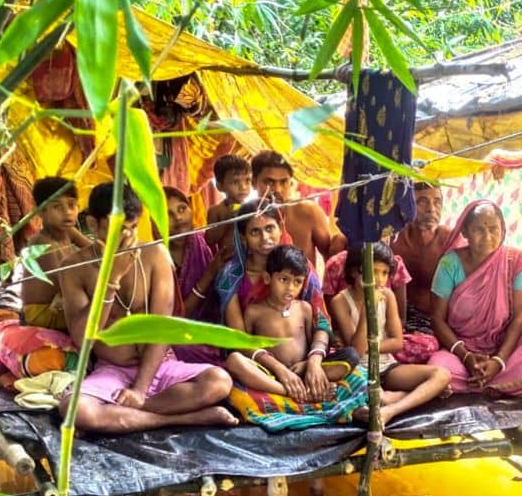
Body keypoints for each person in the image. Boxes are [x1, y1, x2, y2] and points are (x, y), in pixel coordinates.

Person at [57, 183, 236, 432]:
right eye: (117, 229)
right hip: (113, 372)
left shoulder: (155, 255)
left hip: (161, 365)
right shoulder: (74, 268)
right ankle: (184, 418)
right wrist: (112, 280)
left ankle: (131, 412)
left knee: (218, 381)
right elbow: (82, 338)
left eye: (131, 228)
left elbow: (163, 328)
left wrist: (140, 391)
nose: (126, 239)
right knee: (74, 410)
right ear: (92, 225)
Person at [427, 200, 522, 397]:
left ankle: (491, 378)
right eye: (479, 230)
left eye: (493, 229)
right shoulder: (449, 264)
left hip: (507, 345)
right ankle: (506, 382)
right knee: (439, 370)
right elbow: (436, 319)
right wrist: (465, 356)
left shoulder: (516, 263)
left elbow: (519, 317)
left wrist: (499, 361)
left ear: (503, 231)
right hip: (461, 349)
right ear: (464, 232)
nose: (487, 237)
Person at [329, 243, 451, 425]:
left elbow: (397, 342)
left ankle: (390, 409)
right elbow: (357, 351)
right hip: (358, 371)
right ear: (355, 271)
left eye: (384, 273)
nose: (378, 279)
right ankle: (405, 396)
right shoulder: (340, 301)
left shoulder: (388, 295)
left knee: (442, 375)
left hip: (386, 366)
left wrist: (373, 346)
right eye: (373, 271)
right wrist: (367, 311)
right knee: (358, 405)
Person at [225, 246, 355, 402]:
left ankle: (307, 385)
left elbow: (315, 338)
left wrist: (309, 364)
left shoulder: (304, 308)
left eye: (298, 282)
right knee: (234, 361)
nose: (290, 288)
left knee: (351, 356)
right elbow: (247, 348)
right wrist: (278, 369)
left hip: (304, 370)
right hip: (272, 375)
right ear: (267, 278)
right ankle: (294, 393)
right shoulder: (254, 311)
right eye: (283, 279)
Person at [215, 197, 324, 324]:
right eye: (255, 232)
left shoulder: (301, 267)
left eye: (269, 228)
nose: (265, 238)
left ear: (281, 228)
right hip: (249, 342)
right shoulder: (231, 275)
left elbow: (321, 319)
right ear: (243, 237)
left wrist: (319, 343)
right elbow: (239, 335)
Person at [165, 186, 228, 363]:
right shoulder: (156, 259)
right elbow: (174, 320)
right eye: (167, 214)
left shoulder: (207, 242)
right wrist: (209, 274)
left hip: (216, 327)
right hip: (182, 335)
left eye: (182, 209)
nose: (178, 218)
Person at [19, 177, 90, 331]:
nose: (67, 212)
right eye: (57, 207)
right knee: (105, 312)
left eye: (72, 205)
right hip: (40, 313)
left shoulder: (68, 232)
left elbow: (96, 251)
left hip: (58, 302)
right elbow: (66, 283)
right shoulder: (41, 243)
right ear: (41, 212)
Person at [390, 181, 452, 333]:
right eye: (422, 202)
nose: (431, 209)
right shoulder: (392, 238)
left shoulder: (450, 240)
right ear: (407, 205)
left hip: (431, 322)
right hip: (392, 320)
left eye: (437, 202)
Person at [251, 150, 331, 265]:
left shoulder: (309, 212)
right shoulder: (244, 218)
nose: (278, 190)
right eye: (269, 182)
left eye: (284, 182)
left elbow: (331, 259)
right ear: (254, 182)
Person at [204, 154, 251, 252]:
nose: (243, 187)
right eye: (235, 182)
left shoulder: (253, 207)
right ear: (220, 186)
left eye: (247, 180)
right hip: (227, 259)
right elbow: (209, 240)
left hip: (250, 257)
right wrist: (227, 220)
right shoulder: (216, 211)